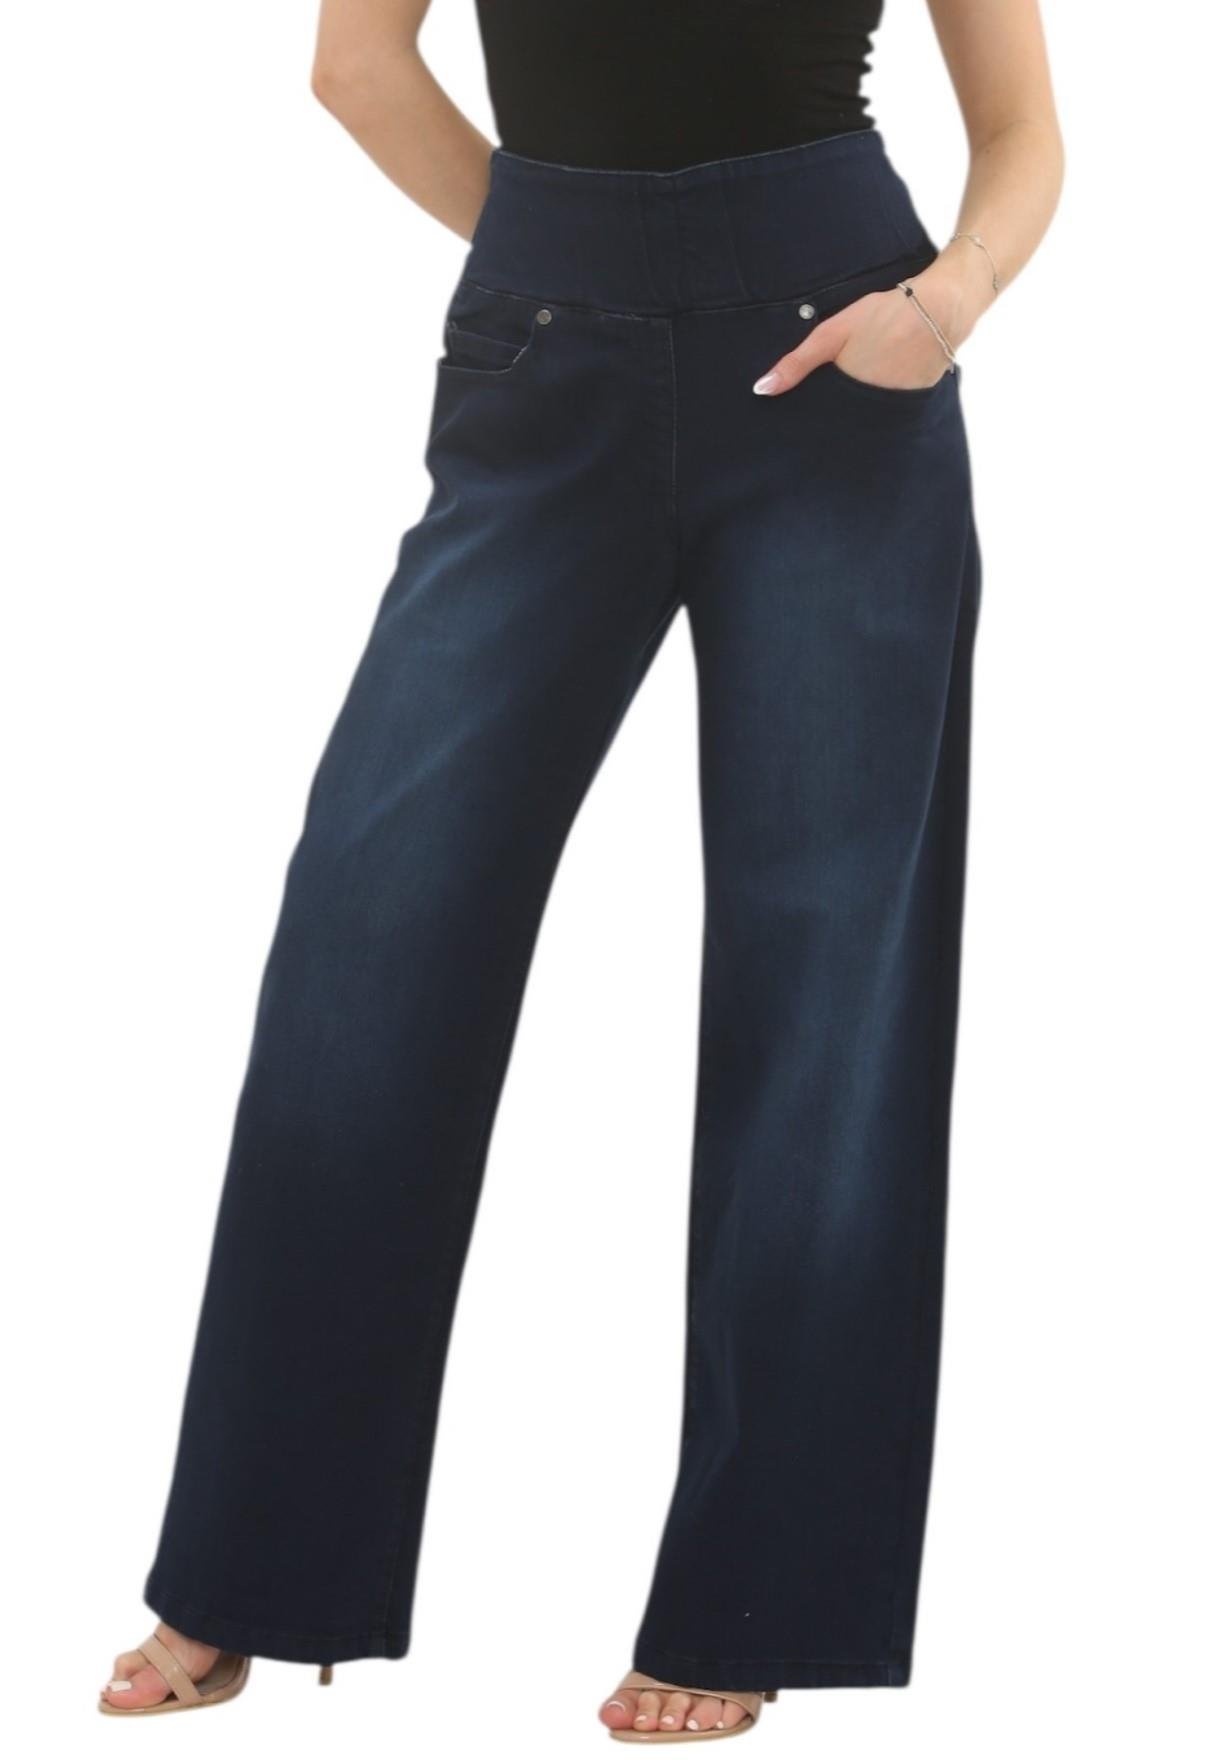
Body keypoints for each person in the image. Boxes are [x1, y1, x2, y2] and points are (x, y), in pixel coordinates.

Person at [98, 0, 1063, 1739]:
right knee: (370, 936)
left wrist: (948, 303)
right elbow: (350, 68)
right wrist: (578, 255)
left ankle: (754, 1597)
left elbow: (1023, 138)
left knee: (829, 983)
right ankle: (254, 1564)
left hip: (841, 354)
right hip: (557, 343)